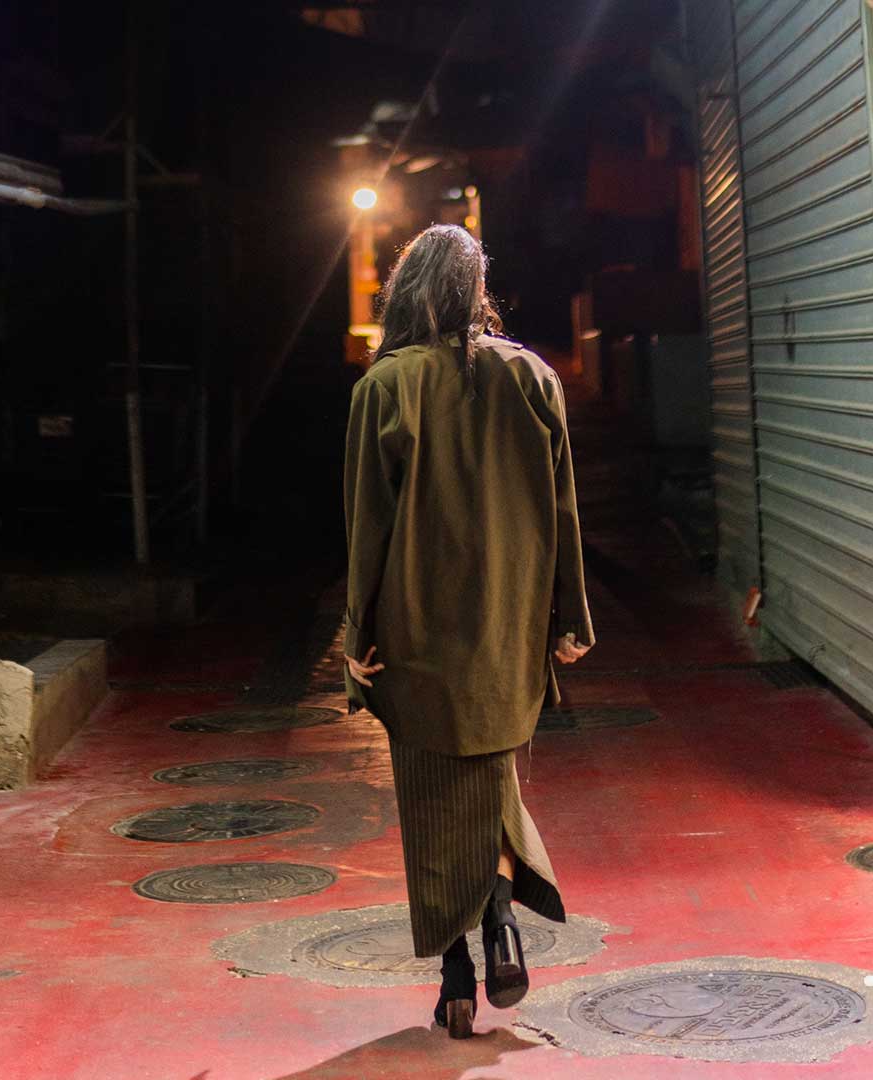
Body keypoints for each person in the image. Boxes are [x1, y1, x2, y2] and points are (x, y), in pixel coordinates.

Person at [342, 223, 594, 1039]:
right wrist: (570, 617)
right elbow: (563, 507)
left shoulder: (385, 387)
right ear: (475, 290)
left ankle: (457, 975)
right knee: (492, 776)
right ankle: (502, 923)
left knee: (430, 795)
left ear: (406, 294)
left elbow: (368, 526)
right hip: (509, 618)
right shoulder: (534, 376)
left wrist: (354, 637)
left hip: (415, 621)